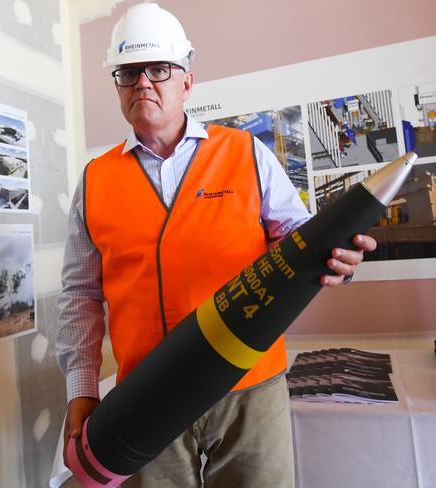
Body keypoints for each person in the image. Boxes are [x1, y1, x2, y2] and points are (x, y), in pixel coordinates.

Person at [56, 3, 376, 487]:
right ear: (117, 85)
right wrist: (80, 391)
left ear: (186, 81)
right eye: (128, 72)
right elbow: (80, 295)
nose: (143, 82)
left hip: (249, 387)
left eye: (159, 69)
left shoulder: (246, 153)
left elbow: (301, 241)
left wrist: (339, 259)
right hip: (147, 395)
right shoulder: (94, 180)